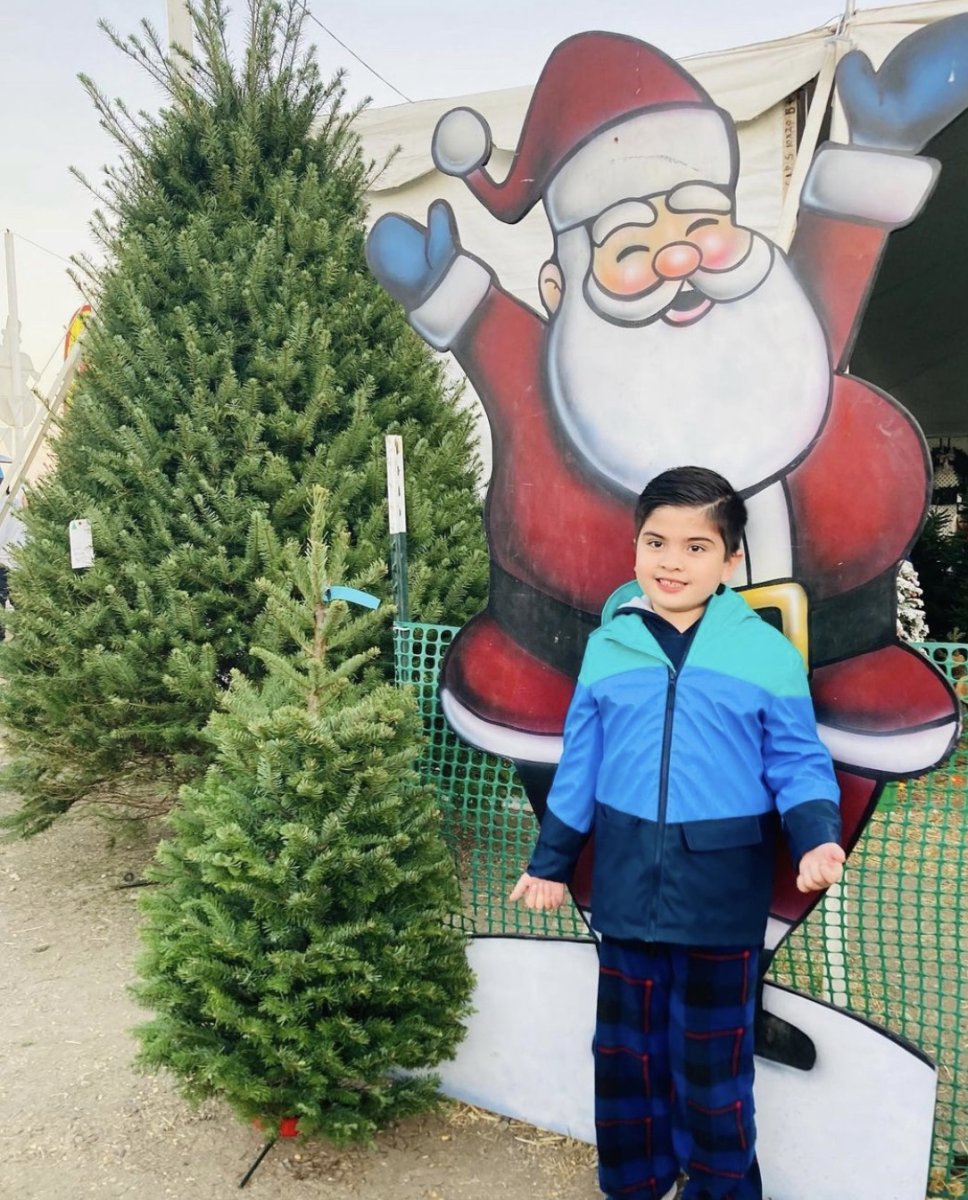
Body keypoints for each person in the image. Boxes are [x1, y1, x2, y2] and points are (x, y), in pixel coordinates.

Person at [509, 466, 844, 1200]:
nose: (671, 562)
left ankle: (722, 1188)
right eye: (656, 542)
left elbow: (797, 759)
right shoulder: (609, 647)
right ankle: (635, 1181)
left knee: (711, 1068)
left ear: (730, 561)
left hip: (721, 897)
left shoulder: (765, 653)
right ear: (635, 547)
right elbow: (580, 766)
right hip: (627, 890)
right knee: (624, 1057)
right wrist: (551, 862)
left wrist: (817, 836)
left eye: (697, 547)